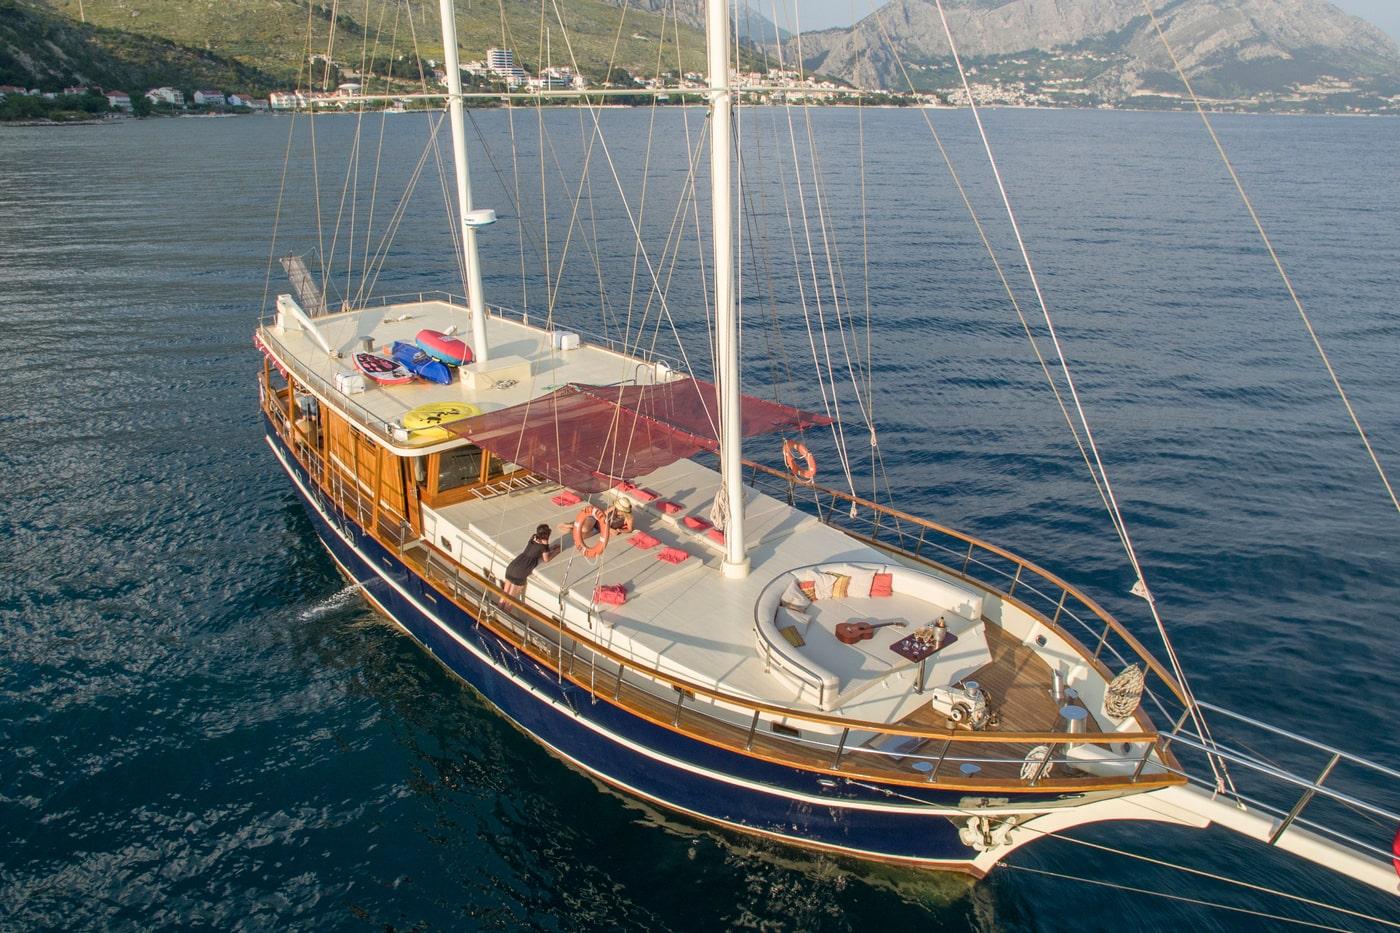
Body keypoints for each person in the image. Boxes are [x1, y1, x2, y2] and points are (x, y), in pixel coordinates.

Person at [502, 524, 554, 597]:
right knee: (510, 599)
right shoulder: (543, 546)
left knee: (504, 595)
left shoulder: (533, 537)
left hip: (513, 565)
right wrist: (554, 550)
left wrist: (549, 548)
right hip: (521, 571)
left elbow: (535, 550)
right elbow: (546, 559)